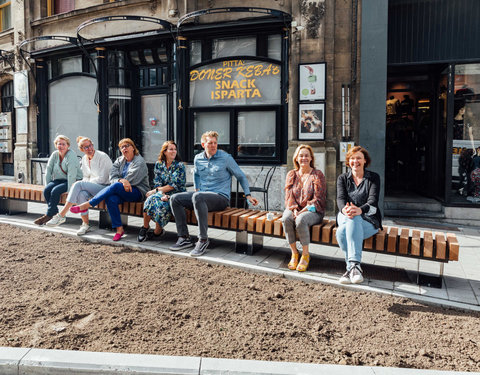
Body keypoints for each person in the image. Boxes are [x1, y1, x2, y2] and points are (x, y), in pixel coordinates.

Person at [169, 130, 258, 256]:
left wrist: (248, 195)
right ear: (203, 144)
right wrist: (196, 187)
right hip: (201, 197)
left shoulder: (226, 158)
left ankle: (203, 239)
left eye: (215, 143)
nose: (213, 145)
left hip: (220, 198)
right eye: (210, 143)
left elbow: (241, 176)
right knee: (175, 198)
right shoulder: (198, 158)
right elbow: (196, 174)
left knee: (198, 197)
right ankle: (184, 237)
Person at [69, 138, 149, 241]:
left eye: (127, 146)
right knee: (110, 199)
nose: (124, 148)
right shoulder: (120, 160)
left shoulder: (139, 161)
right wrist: (120, 180)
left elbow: (130, 181)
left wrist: (121, 181)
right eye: (122, 147)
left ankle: (88, 204)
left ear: (133, 148)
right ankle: (119, 229)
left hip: (137, 191)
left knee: (116, 186)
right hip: (121, 190)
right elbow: (112, 176)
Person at [45, 136, 113, 235]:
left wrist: (86, 183)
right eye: (86, 147)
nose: (89, 149)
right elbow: (85, 176)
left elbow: (103, 179)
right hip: (92, 187)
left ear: (93, 145)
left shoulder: (102, 156)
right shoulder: (85, 159)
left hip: (105, 187)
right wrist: (86, 183)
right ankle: (85, 224)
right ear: (81, 149)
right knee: (81, 194)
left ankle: (61, 215)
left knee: (78, 184)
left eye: (90, 146)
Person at [335, 145, 382, 284]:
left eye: (359, 158)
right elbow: (340, 200)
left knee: (341, 233)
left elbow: (373, 202)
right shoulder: (342, 178)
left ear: (365, 161)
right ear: (348, 161)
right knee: (351, 217)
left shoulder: (373, 178)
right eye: (352, 158)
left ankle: (351, 267)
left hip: (369, 218)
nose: (355, 161)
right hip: (346, 215)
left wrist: (360, 210)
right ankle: (355, 268)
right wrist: (344, 209)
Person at [282, 144, 326, 272]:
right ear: (296, 158)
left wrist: (301, 211)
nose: (304, 158)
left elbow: (319, 198)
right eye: (301, 155)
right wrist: (294, 209)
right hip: (295, 208)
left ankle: (306, 254)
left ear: (311, 158)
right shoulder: (292, 174)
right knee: (286, 218)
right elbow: (289, 196)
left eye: (307, 155)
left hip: (313, 210)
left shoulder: (317, 175)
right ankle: (294, 253)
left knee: (300, 220)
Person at [138, 140, 186, 242]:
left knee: (161, 204)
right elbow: (157, 182)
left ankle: (157, 232)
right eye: (171, 149)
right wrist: (159, 192)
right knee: (150, 199)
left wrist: (155, 191)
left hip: (176, 195)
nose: (173, 151)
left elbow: (173, 185)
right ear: (165, 151)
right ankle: (145, 227)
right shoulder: (159, 164)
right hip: (161, 192)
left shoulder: (179, 166)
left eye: (175, 149)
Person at [33, 135, 83, 225]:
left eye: (64, 144)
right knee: (47, 190)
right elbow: (48, 170)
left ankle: (48, 215)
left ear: (68, 145)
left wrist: (69, 190)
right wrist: (47, 185)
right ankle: (55, 214)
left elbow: (72, 174)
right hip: (60, 179)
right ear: (56, 145)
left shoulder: (71, 155)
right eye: (59, 144)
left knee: (55, 191)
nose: (61, 146)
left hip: (73, 180)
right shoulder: (55, 154)